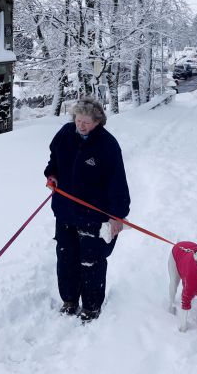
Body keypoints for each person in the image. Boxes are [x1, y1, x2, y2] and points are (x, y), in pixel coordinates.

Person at [43, 97, 130, 322]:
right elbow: (54, 159)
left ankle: (91, 306)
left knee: (91, 260)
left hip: (94, 215)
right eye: (78, 120)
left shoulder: (107, 145)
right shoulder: (65, 134)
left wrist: (117, 215)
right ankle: (69, 301)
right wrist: (51, 175)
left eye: (86, 122)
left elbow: (117, 181)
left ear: (98, 121)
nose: (81, 126)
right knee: (66, 257)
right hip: (65, 211)